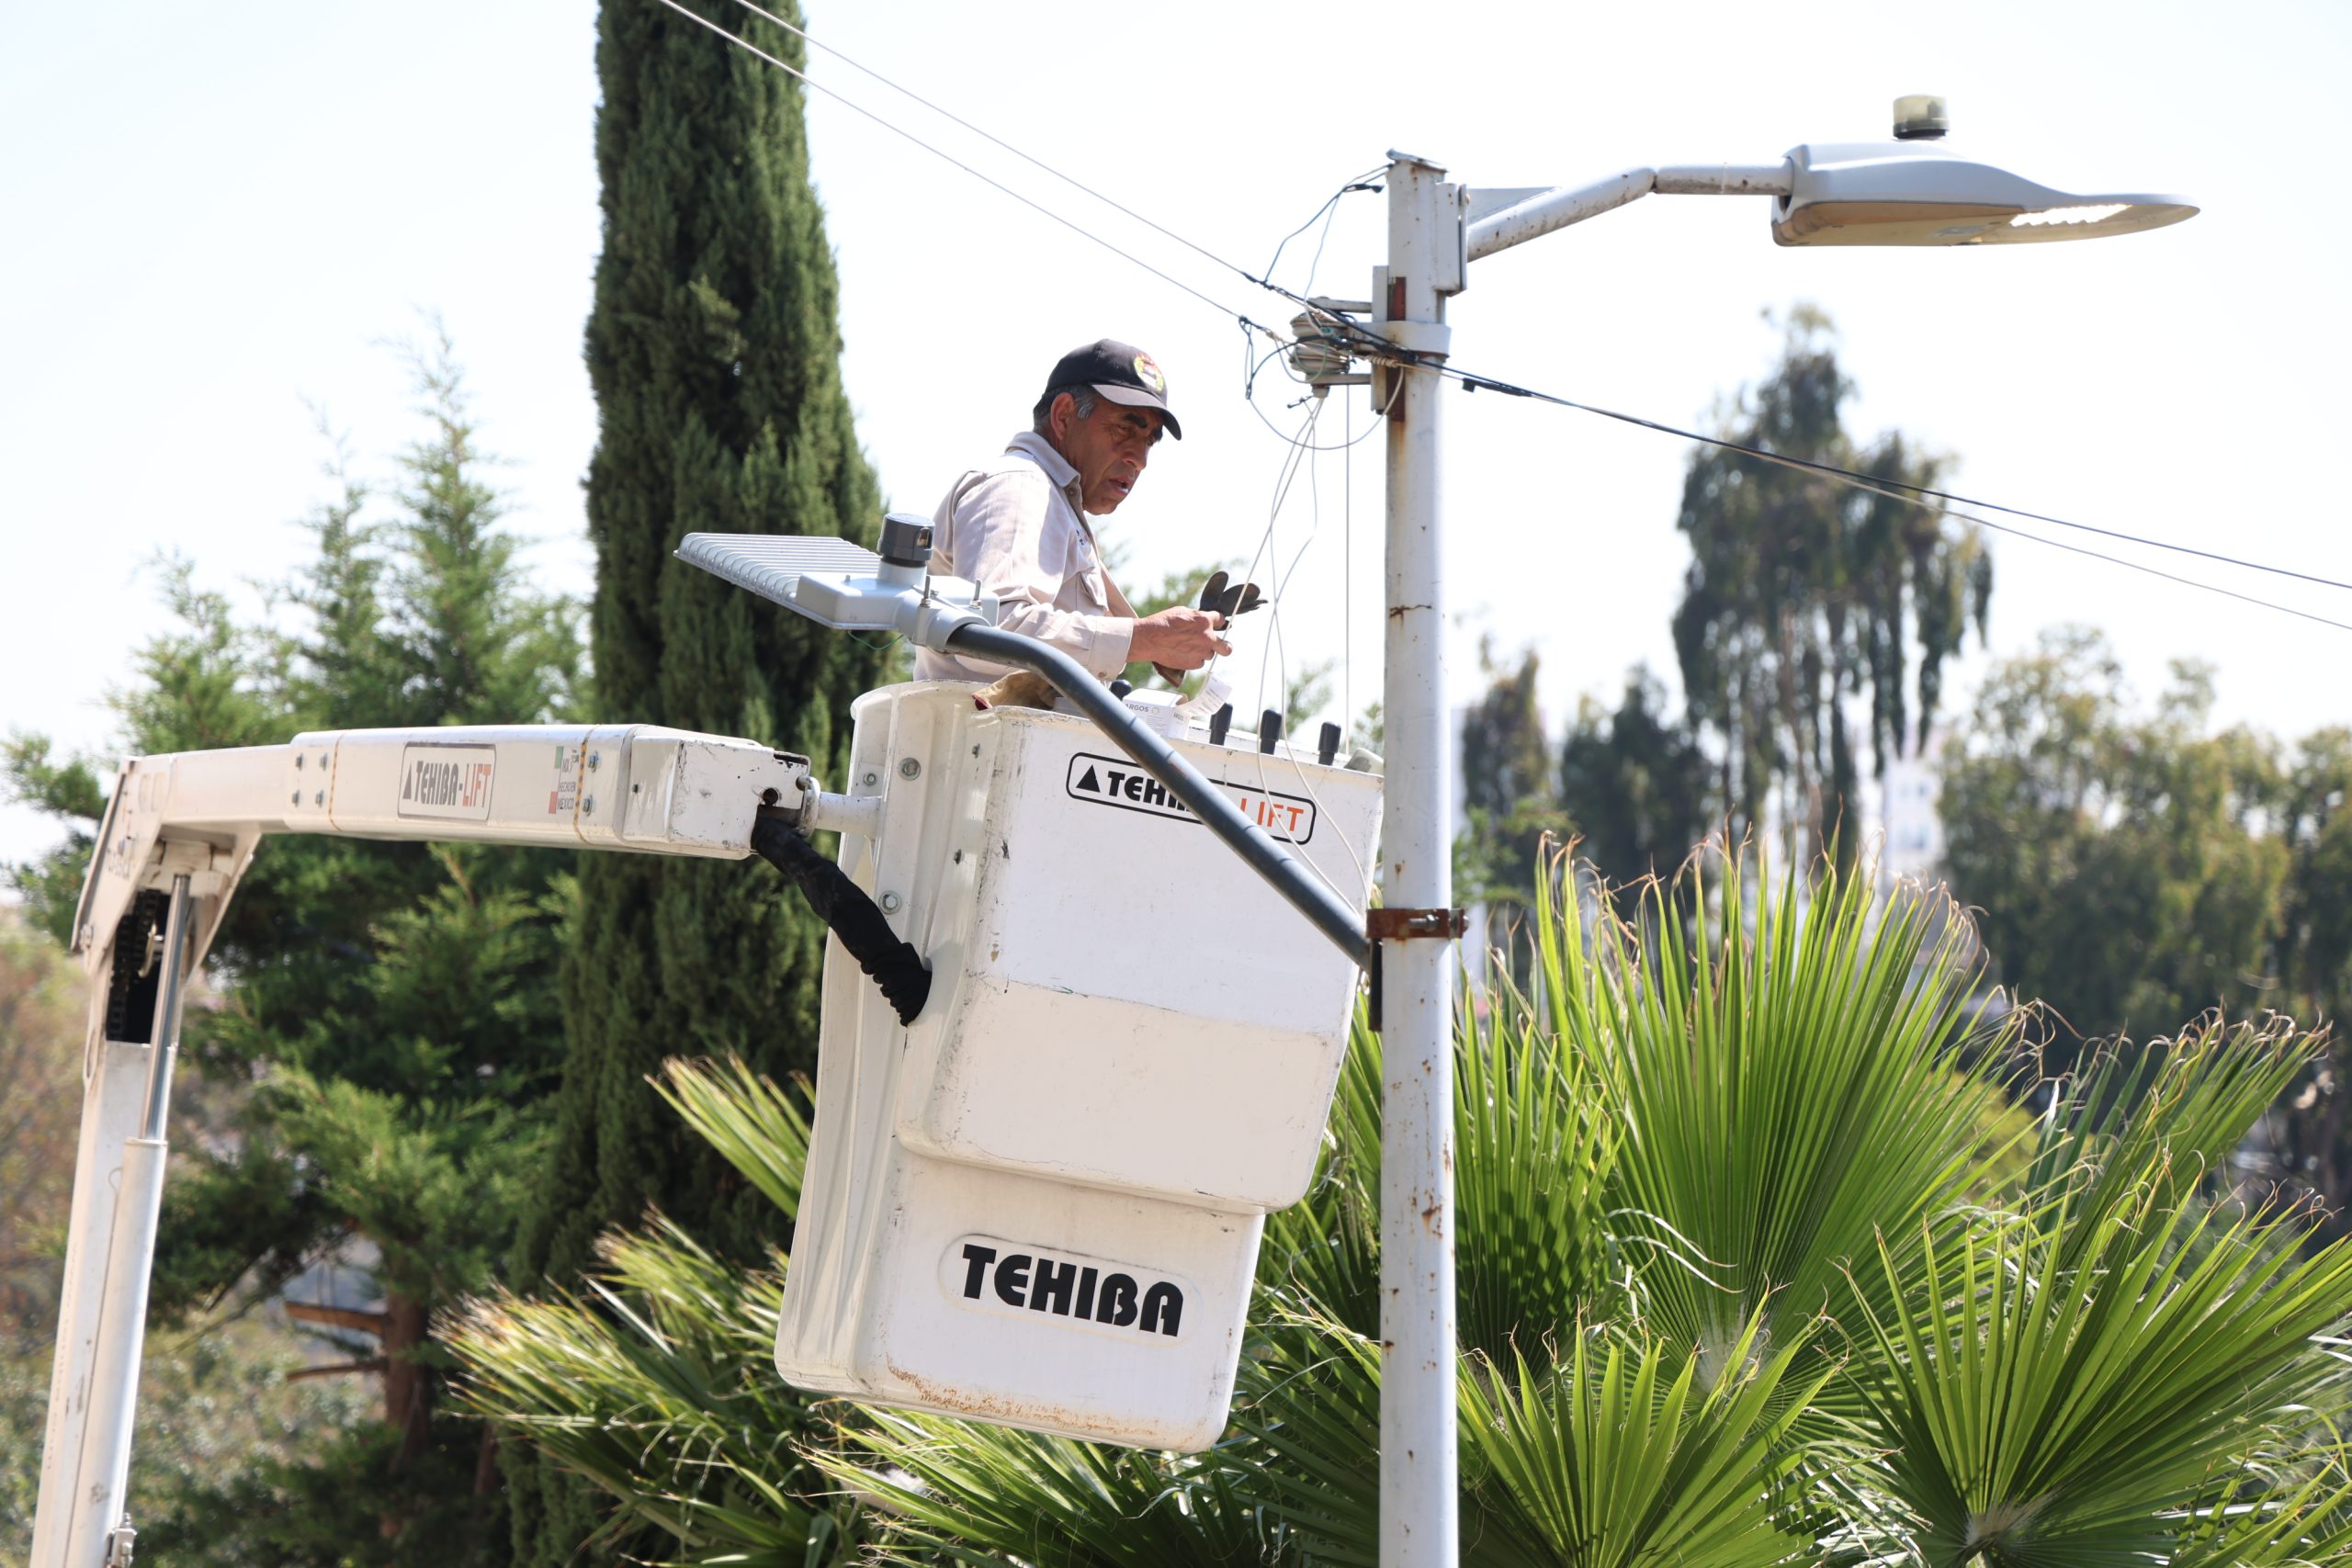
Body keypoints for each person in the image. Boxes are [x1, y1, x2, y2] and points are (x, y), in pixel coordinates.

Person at [912, 339, 1232, 684]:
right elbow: (994, 631)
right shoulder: (1022, 486)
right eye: (1126, 428)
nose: (1139, 459)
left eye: (1150, 440)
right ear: (1064, 416)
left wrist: (1159, 641)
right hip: (978, 736)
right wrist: (1145, 639)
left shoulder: (1054, 501)